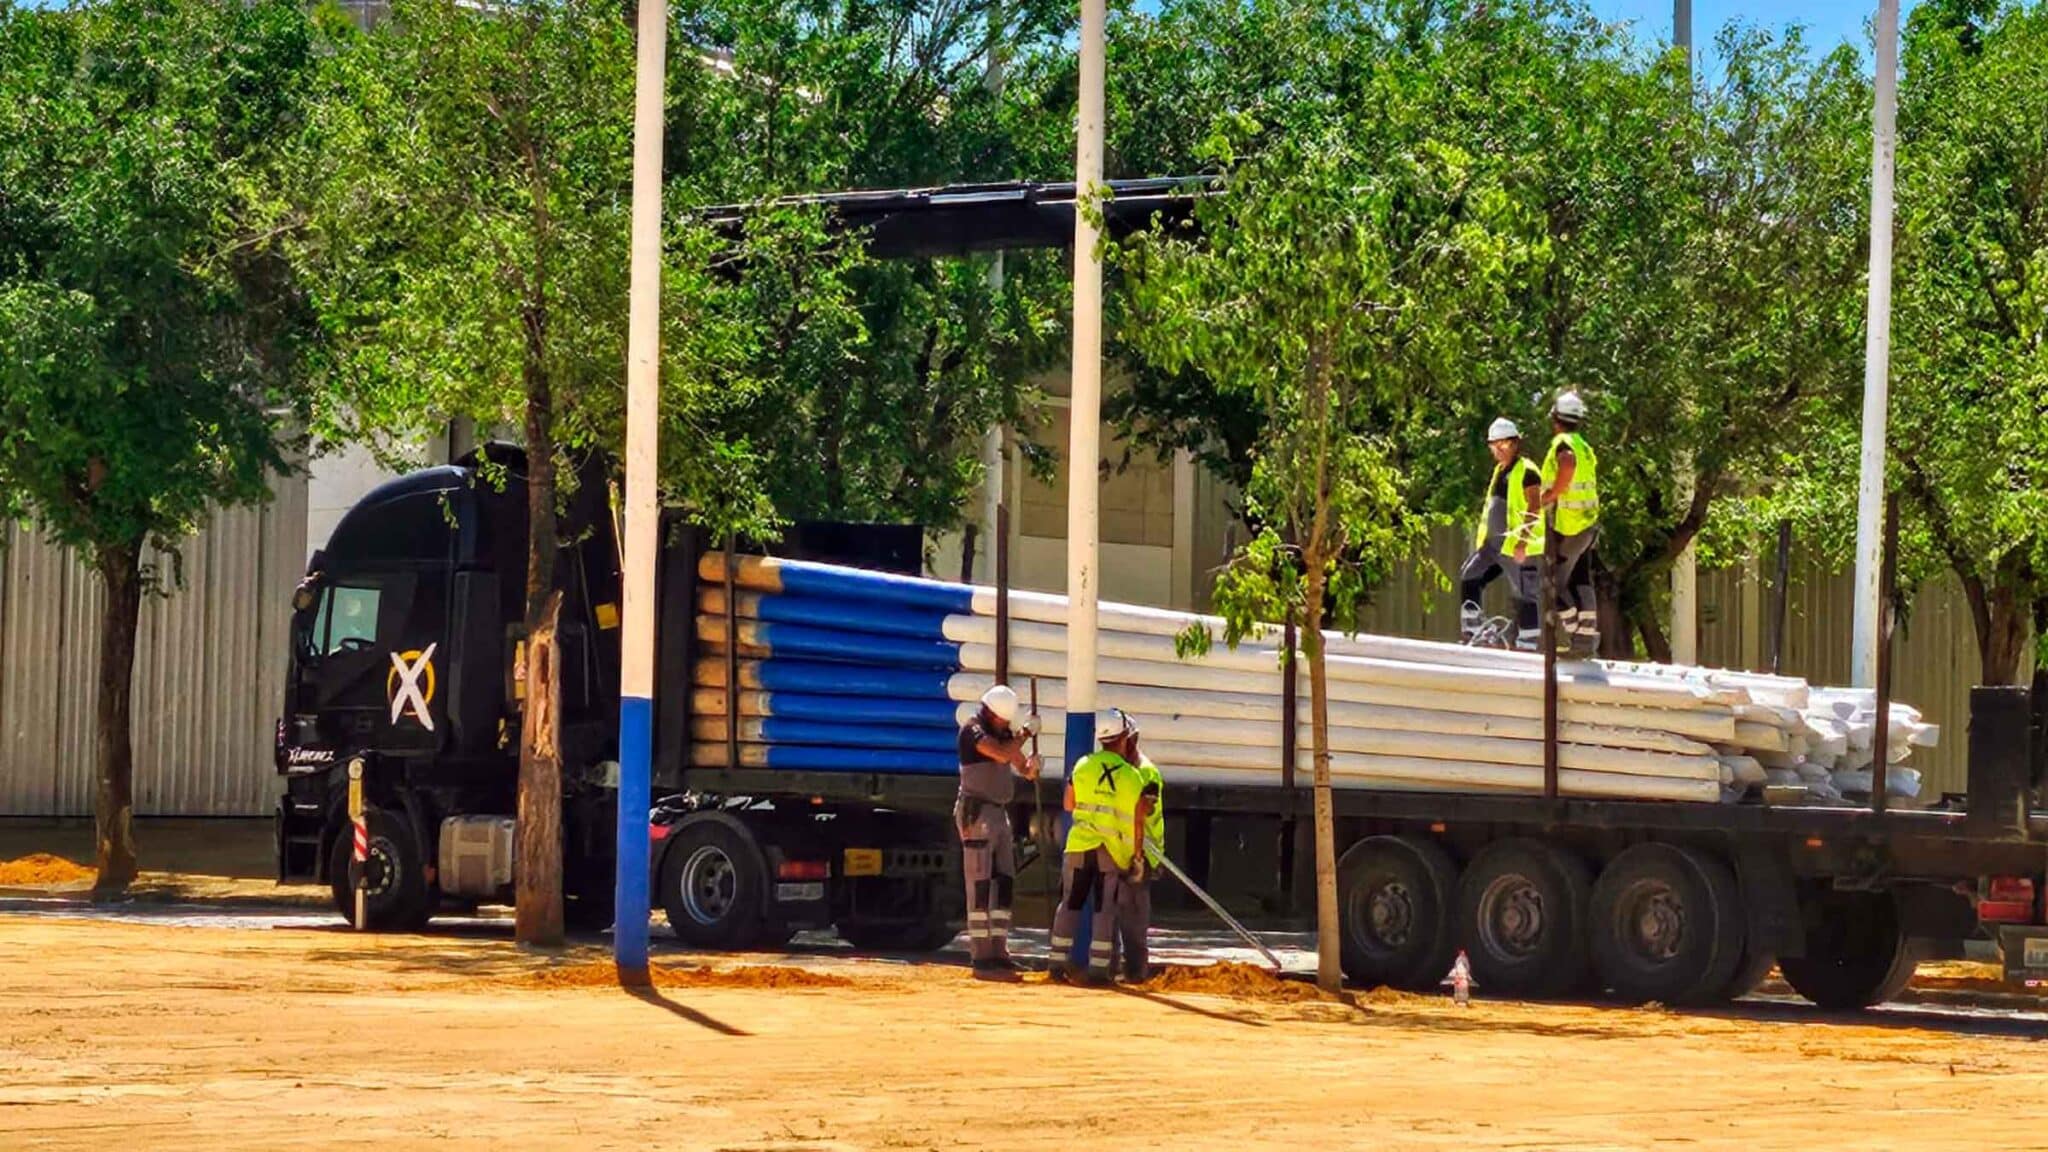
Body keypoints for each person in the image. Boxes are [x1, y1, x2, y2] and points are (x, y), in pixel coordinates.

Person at [1051, 708, 1149, 985]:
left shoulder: (1083, 765)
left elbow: (1069, 804)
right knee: (1104, 908)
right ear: (1125, 738)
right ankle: (1098, 971)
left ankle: (1056, 964)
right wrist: (1136, 857)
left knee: (1070, 902)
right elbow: (1137, 823)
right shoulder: (1132, 777)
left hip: (1080, 845)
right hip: (1109, 852)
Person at [956, 684, 1040, 977]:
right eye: (1003, 719)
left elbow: (1019, 763)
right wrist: (1026, 734)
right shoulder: (973, 731)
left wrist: (1031, 767)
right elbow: (1002, 755)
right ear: (990, 712)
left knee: (1004, 880)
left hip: (998, 812)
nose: (1006, 724)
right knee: (979, 884)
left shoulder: (1003, 734)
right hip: (977, 812)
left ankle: (999, 951)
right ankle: (981, 956)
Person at [1458, 417, 1546, 652]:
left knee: (1526, 594)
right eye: (1493, 444)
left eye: (1503, 444)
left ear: (1515, 443)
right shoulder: (1499, 471)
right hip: (1492, 547)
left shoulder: (1527, 471)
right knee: (1470, 576)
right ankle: (1473, 630)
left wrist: (1522, 542)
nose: (1498, 449)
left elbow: (1535, 506)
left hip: (1515, 546)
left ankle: (1527, 643)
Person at [1538, 391, 1601, 656]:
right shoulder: (1584, 445)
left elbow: (1566, 464)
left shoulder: (1564, 444)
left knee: (1552, 582)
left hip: (1570, 526)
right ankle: (1585, 641)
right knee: (1580, 579)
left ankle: (1576, 632)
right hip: (1588, 523)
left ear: (1555, 418)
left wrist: (1552, 494)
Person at [1112, 726, 1164, 983]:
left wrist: (1139, 858)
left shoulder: (1145, 773)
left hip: (1142, 852)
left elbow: (1142, 816)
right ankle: (1121, 967)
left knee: (1133, 914)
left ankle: (1136, 971)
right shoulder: (1123, 771)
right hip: (1124, 849)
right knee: (1117, 910)